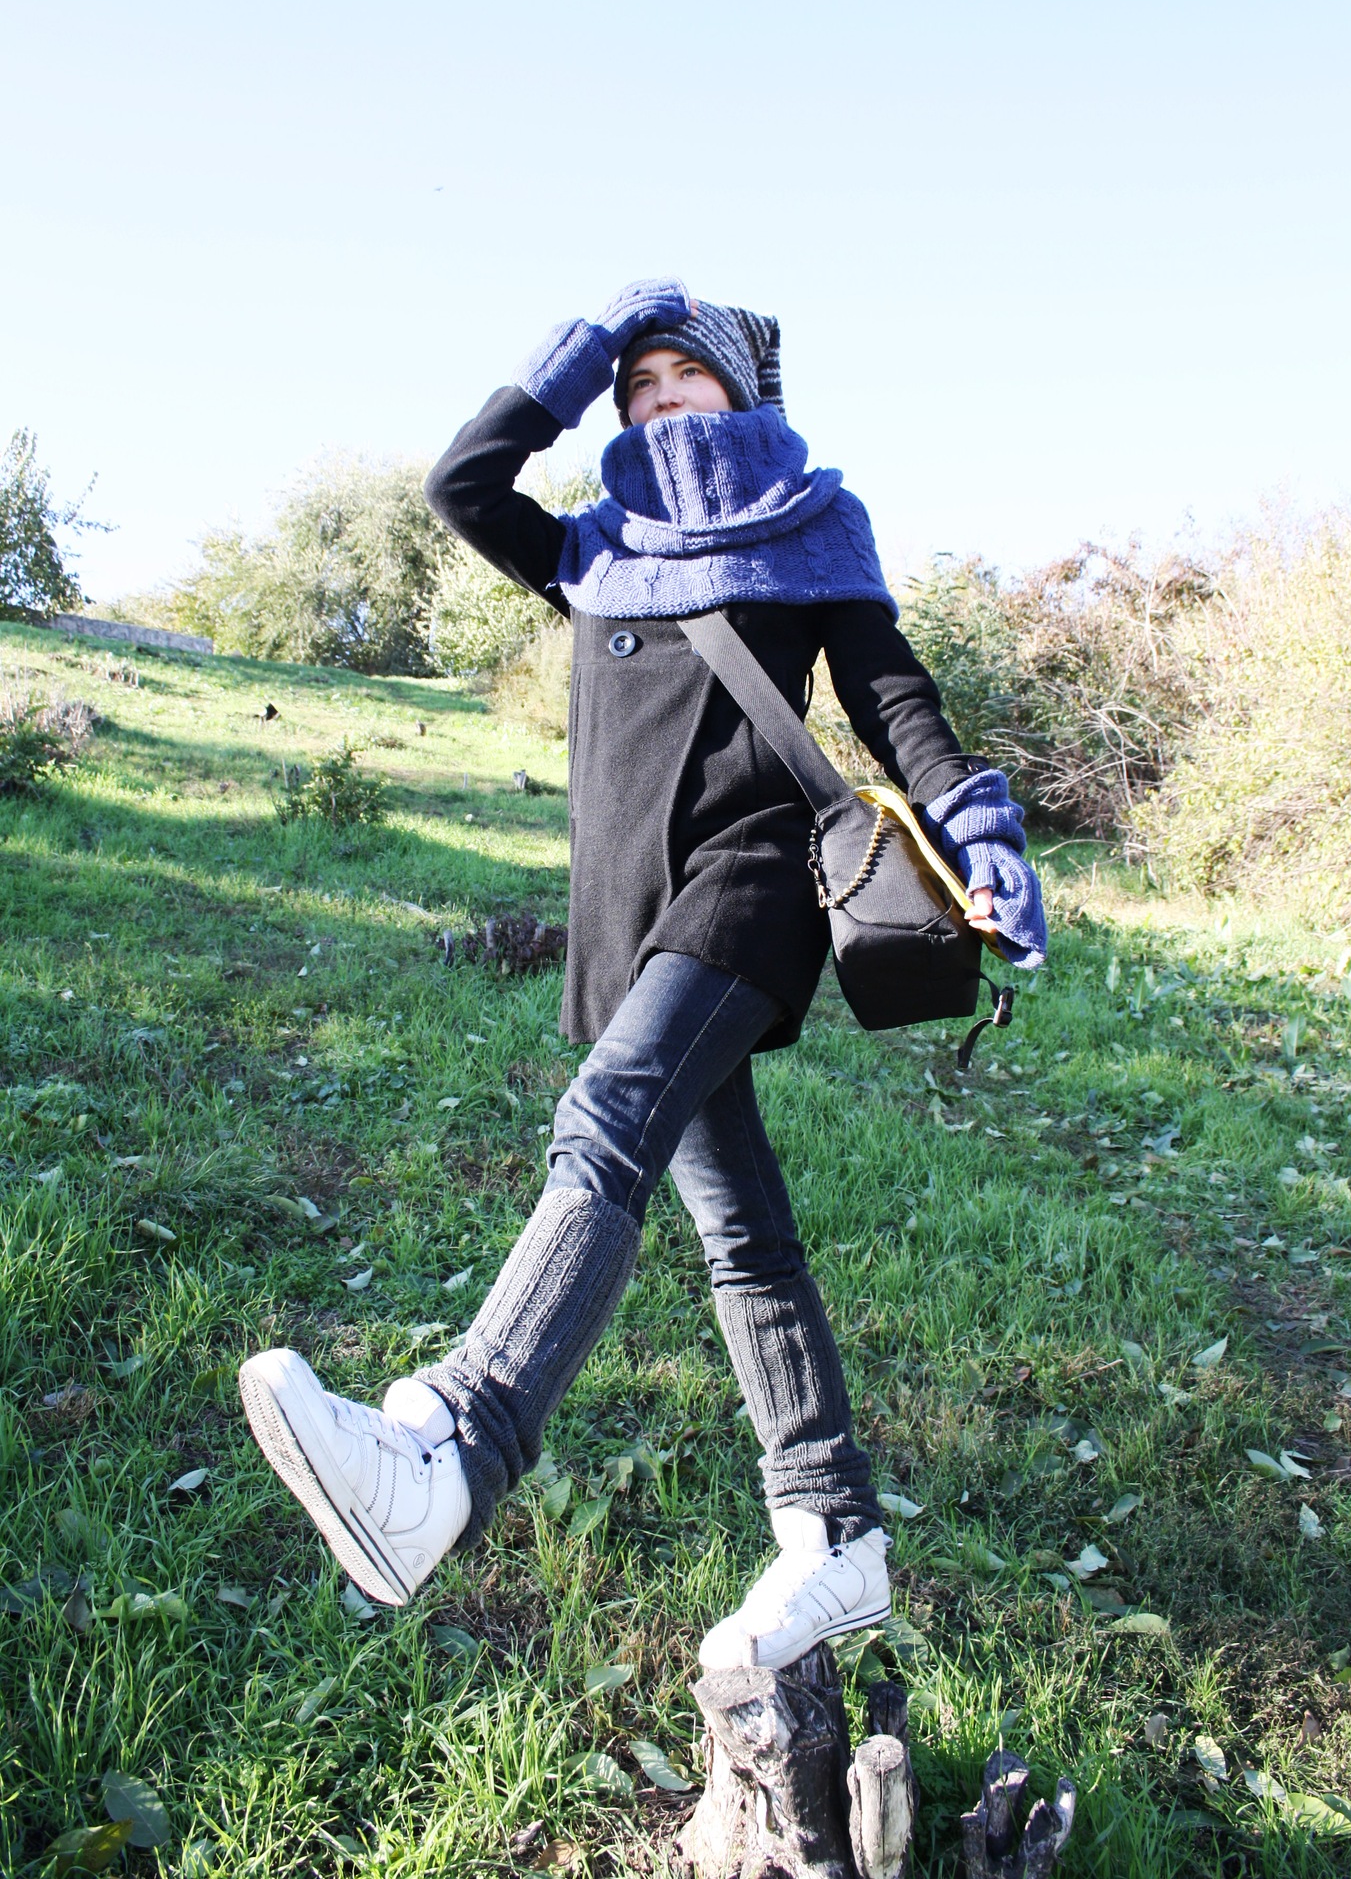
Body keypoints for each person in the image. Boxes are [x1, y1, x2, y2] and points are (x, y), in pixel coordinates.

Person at [238, 280, 1046, 1671]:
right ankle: (835, 1535)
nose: (662, 400)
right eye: (641, 385)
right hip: (627, 920)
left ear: (742, 391)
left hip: (751, 884)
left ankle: (456, 1447)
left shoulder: (811, 523)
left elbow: (891, 696)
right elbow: (461, 485)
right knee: (743, 1236)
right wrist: (582, 350)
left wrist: (979, 833)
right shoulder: (596, 545)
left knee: (606, 1121)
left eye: (687, 375)